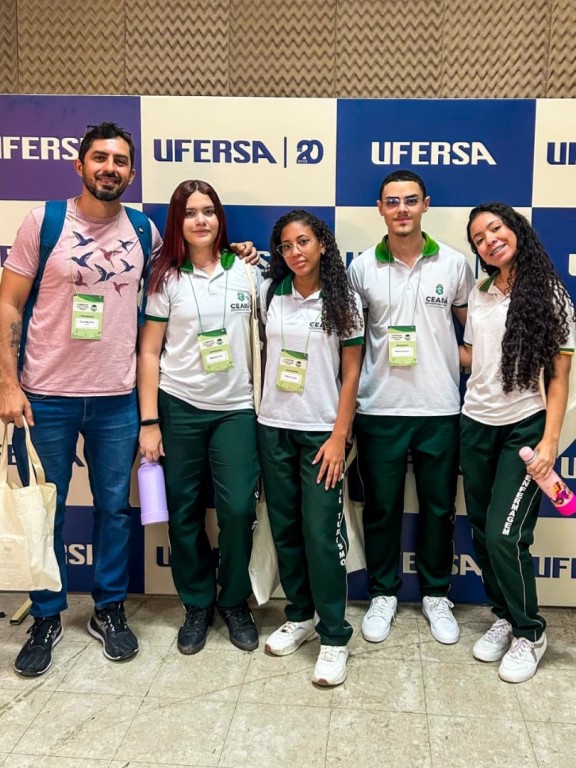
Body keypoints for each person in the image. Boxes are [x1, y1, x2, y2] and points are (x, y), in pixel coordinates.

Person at [0, 123, 256, 677]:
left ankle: (109, 609)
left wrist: (236, 252)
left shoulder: (143, 231)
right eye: (100, 158)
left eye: (119, 161)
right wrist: (7, 383)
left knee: (115, 510)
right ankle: (46, 615)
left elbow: (193, 260)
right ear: (80, 165)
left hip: (117, 398)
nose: (109, 168)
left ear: (131, 173)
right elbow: (9, 304)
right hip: (47, 395)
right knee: (46, 509)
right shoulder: (43, 222)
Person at [347, 170, 475, 646]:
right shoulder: (362, 268)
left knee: (439, 508)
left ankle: (436, 594)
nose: (401, 209)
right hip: (378, 407)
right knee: (382, 508)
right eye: (392, 201)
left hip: (439, 407)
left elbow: (473, 333)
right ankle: (383, 593)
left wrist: (454, 359)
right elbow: (353, 346)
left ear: (426, 204)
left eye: (410, 200)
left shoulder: (455, 264)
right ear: (380, 209)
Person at [138, 179, 261, 655]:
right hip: (179, 406)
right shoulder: (165, 277)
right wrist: (150, 422)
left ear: (219, 217)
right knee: (184, 510)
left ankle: (233, 601)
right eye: (190, 213)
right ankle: (197, 603)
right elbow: (149, 352)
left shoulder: (248, 271)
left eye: (208, 211)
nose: (201, 220)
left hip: (236, 409)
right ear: (178, 222)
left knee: (238, 510)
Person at [460, 202, 575, 683]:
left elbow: (559, 376)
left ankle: (530, 632)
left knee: (506, 536)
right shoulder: (481, 291)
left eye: (495, 229)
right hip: (475, 423)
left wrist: (550, 442)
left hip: (524, 429)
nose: (489, 240)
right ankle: (505, 615)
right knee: (482, 532)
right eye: (479, 238)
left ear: (515, 230)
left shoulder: (550, 293)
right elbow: (473, 357)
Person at [258, 209, 364, 687]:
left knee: (321, 535)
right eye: (286, 245)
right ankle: (300, 615)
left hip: (322, 432)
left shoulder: (344, 298)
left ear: (322, 244)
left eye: (303, 241)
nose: (295, 252)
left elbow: (352, 372)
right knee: (285, 530)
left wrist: (340, 435)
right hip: (273, 426)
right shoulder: (271, 292)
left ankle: (335, 636)